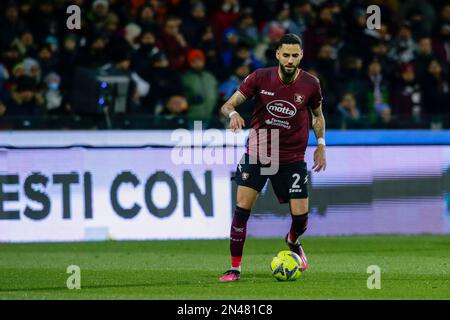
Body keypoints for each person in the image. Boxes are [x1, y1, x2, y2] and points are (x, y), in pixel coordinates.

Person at [218, 34, 326, 282]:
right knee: (241, 210)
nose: (290, 60)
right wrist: (233, 113)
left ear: (301, 56)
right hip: (258, 153)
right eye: (285, 55)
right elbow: (227, 104)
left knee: (301, 219)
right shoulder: (259, 77)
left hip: (292, 158)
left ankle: (293, 240)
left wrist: (321, 145)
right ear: (277, 54)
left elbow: (317, 116)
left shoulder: (311, 84)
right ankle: (235, 269)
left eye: (294, 55)